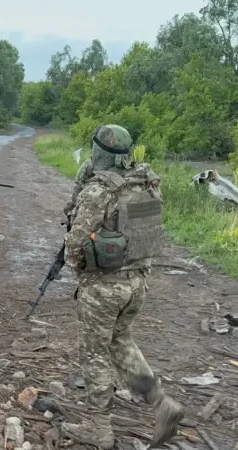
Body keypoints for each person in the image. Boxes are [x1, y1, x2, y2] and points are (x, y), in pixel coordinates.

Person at [61, 124, 184, 448]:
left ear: (97, 151)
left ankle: (99, 429)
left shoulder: (99, 191)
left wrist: (81, 271)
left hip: (103, 288)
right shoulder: (145, 181)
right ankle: (161, 404)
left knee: (94, 353)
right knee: (121, 341)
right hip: (137, 283)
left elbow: (73, 245)